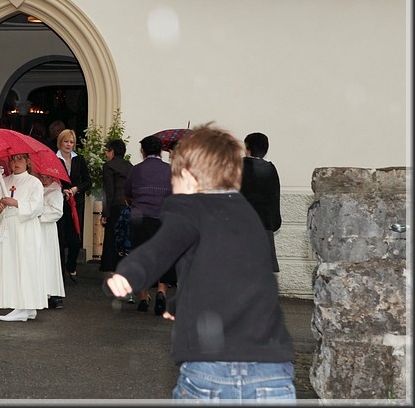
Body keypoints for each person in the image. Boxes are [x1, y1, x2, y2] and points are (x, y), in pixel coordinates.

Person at [105, 124, 296, 400]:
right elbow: (230, 281)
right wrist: (177, 305)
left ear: (188, 177)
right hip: (272, 367)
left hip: (210, 366)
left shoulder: (188, 211)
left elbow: (158, 250)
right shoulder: (248, 218)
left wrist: (128, 274)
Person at [0, 154, 46, 322]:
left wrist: (15, 203)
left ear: (27, 162)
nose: (16, 163)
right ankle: (23, 306)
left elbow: (37, 207)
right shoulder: (4, 182)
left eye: (20, 159)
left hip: (25, 229)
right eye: (13, 159)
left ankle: (25, 306)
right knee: (11, 266)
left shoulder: (34, 182)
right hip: (9, 228)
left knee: (25, 265)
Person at [124, 135, 172, 313]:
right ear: (161, 151)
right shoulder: (170, 170)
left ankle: (143, 297)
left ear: (142, 151)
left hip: (140, 218)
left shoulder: (136, 170)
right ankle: (161, 291)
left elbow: (128, 192)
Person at [241, 132, 282, 273]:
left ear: (248, 149)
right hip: (264, 226)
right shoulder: (270, 169)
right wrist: (274, 223)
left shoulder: (237, 167)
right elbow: (274, 197)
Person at [55, 128, 91, 283]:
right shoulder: (54, 158)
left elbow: (88, 181)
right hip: (59, 203)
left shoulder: (79, 159)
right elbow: (50, 179)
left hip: (76, 204)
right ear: (60, 142)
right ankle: (59, 273)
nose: (69, 144)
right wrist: (62, 190)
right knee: (60, 238)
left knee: (76, 239)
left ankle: (71, 266)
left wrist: (76, 189)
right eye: (66, 141)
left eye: (71, 142)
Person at [100, 138, 133, 273]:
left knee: (112, 237)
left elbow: (108, 191)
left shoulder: (108, 166)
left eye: (107, 151)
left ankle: (111, 268)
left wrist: (105, 213)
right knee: (125, 237)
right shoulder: (130, 166)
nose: (106, 154)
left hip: (115, 206)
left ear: (112, 151)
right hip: (127, 205)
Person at [36, 172, 65, 310]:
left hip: (47, 230)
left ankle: (53, 293)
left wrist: (38, 212)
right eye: (41, 177)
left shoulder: (55, 191)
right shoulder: (36, 188)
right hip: (36, 229)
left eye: (47, 177)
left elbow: (57, 212)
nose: (44, 180)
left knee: (49, 260)